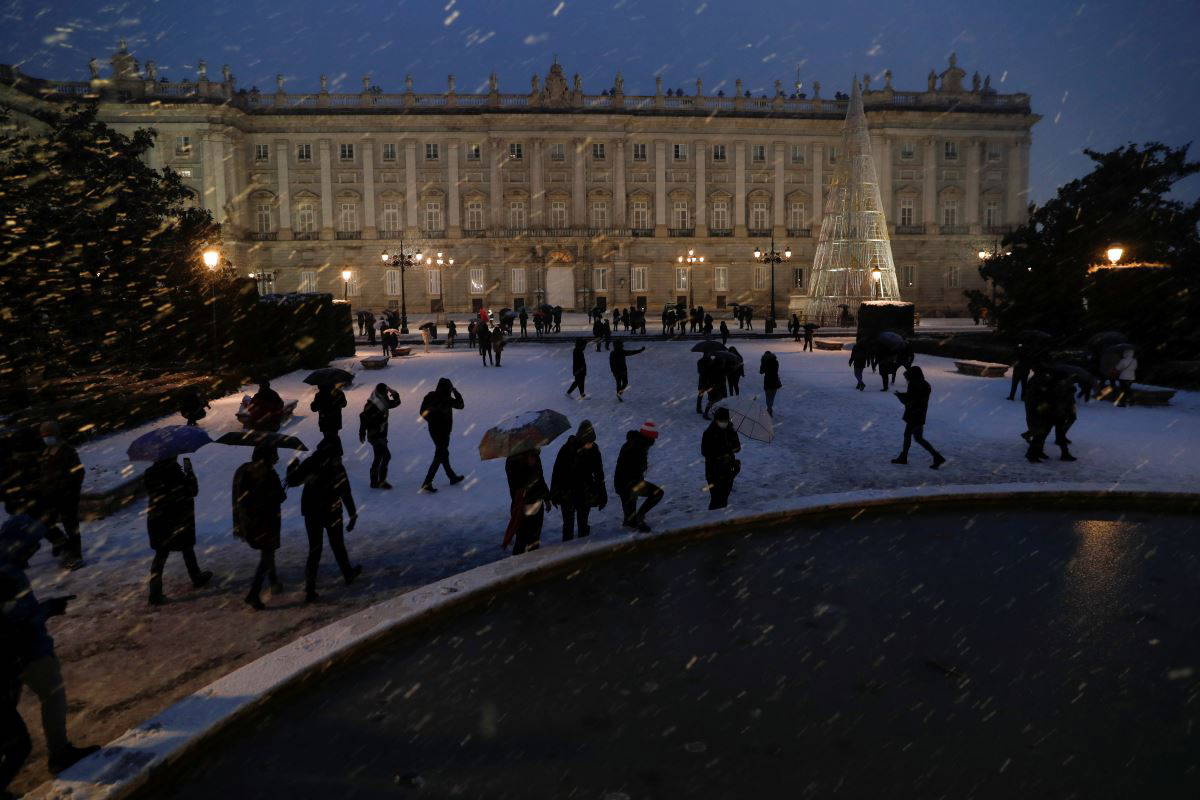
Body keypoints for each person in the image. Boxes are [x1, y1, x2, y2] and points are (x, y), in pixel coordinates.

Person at [1, 506, 98, 782]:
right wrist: (48, 609)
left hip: (13, 656)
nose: (34, 552)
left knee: (11, 717)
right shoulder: (7, 573)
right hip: (28, 652)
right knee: (52, 697)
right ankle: (59, 753)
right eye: (31, 546)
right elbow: (20, 621)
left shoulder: (7, 565)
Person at [286, 436, 361, 603]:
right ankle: (348, 574)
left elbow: (292, 481)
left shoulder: (311, 463)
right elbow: (345, 491)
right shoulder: (336, 467)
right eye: (338, 454)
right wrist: (352, 514)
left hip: (312, 512)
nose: (340, 457)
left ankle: (310, 588)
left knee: (315, 549)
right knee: (337, 545)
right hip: (331, 512)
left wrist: (292, 467)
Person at [144, 453, 212, 605]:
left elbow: (155, 493)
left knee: (162, 554)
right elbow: (192, 491)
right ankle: (195, 577)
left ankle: (155, 592)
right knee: (185, 547)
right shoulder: (175, 473)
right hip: (177, 518)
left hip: (158, 520)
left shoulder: (150, 473)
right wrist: (189, 473)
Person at [231, 443, 286, 610]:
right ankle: (253, 594)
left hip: (251, 522)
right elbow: (278, 497)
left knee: (267, 552)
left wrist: (239, 522)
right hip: (266, 521)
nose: (276, 458)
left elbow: (238, 499)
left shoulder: (244, 471)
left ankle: (274, 581)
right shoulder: (268, 474)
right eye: (274, 455)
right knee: (267, 554)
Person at [37, 422, 84, 570]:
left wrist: (67, 487)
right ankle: (62, 545)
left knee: (71, 526)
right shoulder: (45, 453)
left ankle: (76, 555)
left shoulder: (67, 451)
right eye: (44, 436)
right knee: (45, 523)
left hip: (66, 496)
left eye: (48, 435)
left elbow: (78, 473)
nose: (46, 438)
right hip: (51, 497)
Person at [550, 420, 606, 541]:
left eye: (592, 442)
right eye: (588, 442)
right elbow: (557, 473)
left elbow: (599, 473)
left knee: (583, 523)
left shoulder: (594, 450)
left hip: (584, 492)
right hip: (567, 493)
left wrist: (602, 494)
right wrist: (554, 492)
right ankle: (567, 550)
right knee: (568, 526)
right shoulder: (567, 450)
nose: (590, 444)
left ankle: (583, 547)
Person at [891, 366, 946, 469]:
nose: (907, 379)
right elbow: (915, 397)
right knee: (918, 438)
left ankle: (905, 457)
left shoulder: (914, 384)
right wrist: (903, 395)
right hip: (919, 414)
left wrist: (900, 396)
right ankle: (936, 456)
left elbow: (910, 399)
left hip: (914, 414)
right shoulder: (925, 384)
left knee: (910, 436)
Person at [614, 422, 664, 532]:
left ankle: (636, 519)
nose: (654, 442)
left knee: (630, 520)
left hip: (628, 483)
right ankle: (638, 519)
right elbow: (630, 468)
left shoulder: (637, 443)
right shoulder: (637, 446)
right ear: (648, 436)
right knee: (657, 493)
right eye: (653, 438)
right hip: (628, 485)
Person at [419, 378, 465, 492]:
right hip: (443, 431)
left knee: (443, 453)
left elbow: (422, 412)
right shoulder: (447, 399)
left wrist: (431, 420)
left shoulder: (430, 396)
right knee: (440, 454)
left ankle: (452, 477)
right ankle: (427, 482)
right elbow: (461, 405)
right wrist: (456, 392)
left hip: (434, 430)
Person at [502, 448, 550, 555]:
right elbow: (517, 486)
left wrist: (546, 498)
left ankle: (533, 562)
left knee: (535, 539)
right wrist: (527, 467)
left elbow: (540, 478)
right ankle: (518, 565)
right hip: (523, 506)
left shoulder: (535, 457)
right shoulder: (512, 461)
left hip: (537, 503)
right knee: (522, 539)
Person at [359, 383, 401, 489]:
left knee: (378, 457)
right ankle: (380, 481)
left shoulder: (382, 401)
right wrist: (362, 431)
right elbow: (363, 417)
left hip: (381, 434)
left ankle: (374, 481)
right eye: (385, 392)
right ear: (380, 392)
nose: (387, 394)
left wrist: (394, 393)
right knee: (386, 456)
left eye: (387, 392)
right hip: (375, 435)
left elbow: (397, 403)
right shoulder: (372, 403)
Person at [701, 407, 741, 510]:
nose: (724, 423)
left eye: (726, 421)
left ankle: (722, 515)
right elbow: (705, 452)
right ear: (716, 420)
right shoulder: (709, 433)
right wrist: (723, 450)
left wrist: (732, 447)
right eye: (721, 421)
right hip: (714, 469)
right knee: (716, 498)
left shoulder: (731, 431)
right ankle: (714, 517)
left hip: (728, 467)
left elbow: (737, 448)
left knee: (724, 495)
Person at [760, 351, 782, 416]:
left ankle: (769, 409)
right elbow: (776, 370)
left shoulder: (765, 362)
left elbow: (761, 371)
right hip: (775, 380)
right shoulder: (775, 362)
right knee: (772, 397)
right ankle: (769, 409)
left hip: (768, 381)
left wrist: (762, 362)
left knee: (768, 396)